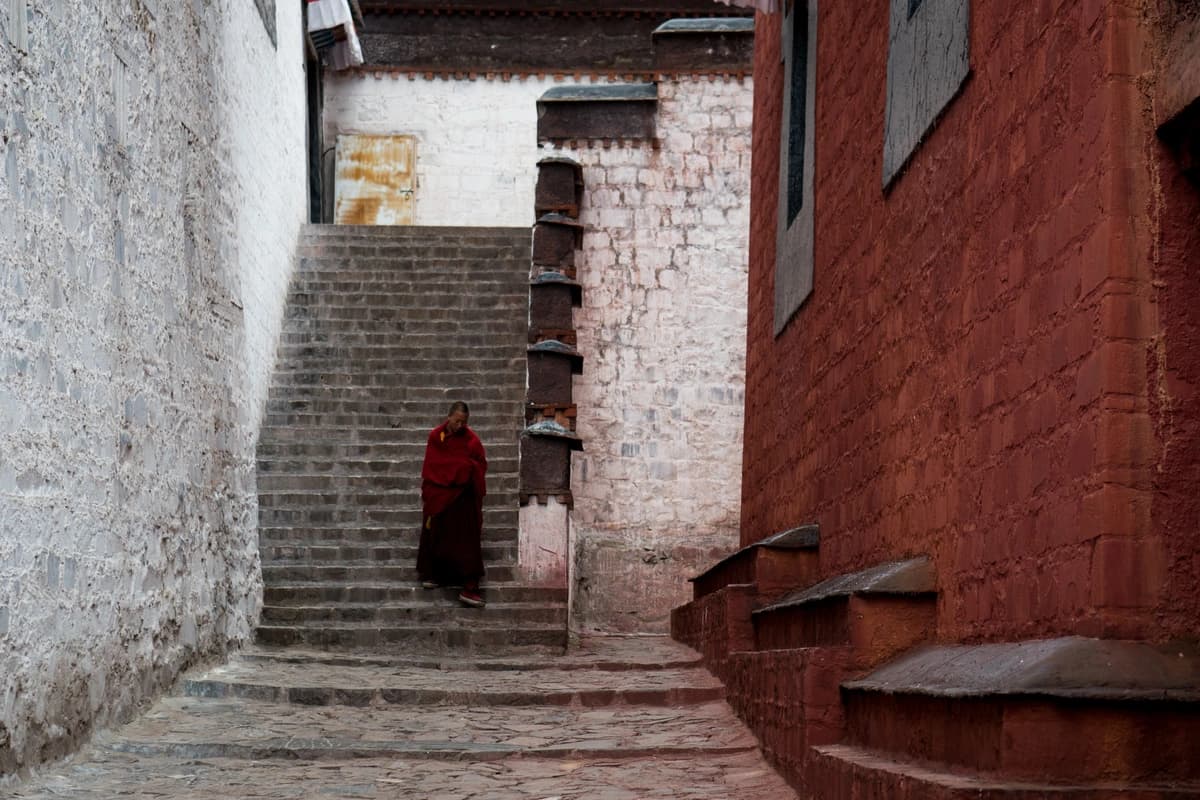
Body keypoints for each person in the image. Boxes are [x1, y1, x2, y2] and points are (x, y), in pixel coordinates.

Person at [416, 401, 488, 608]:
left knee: (466, 541)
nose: (459, 426)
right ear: (449, 417)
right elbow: (432, 464)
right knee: (436, 534)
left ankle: (470, 586)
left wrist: (467, 468)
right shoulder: (435, 436)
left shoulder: (472, 441)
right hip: (439, 495)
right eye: (457, 421)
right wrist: (457, 467)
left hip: (461, 498)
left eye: (463, 423)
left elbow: (480, 465)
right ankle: (436, 574)